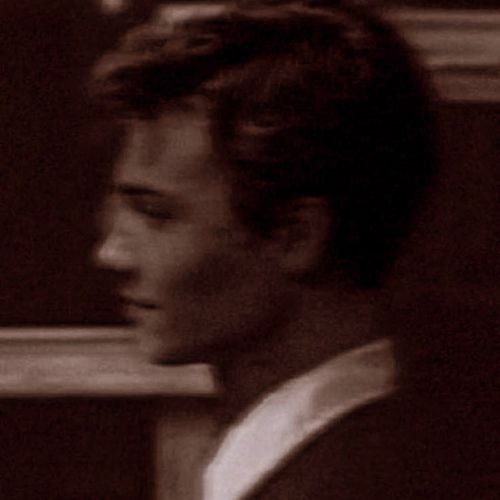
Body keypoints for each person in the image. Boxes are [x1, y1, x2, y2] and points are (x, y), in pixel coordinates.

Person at [89, 1, 481, 498]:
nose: (112, 254)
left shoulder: (344, 482)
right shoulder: (352, 455)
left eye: (156, 215)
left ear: (294, 235)